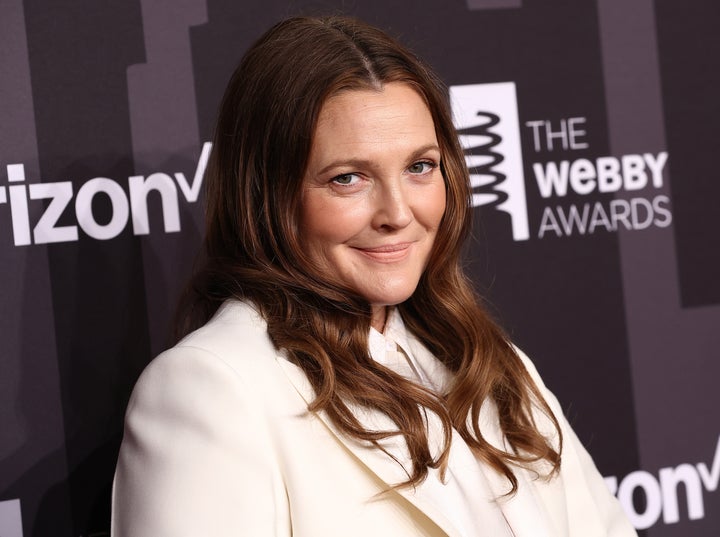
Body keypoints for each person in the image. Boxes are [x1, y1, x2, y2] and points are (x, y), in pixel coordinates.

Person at [111, 15, 637, 537]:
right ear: (267, 198)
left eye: (419, 167)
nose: (398, 213)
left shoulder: (491, 362)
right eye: (348, 178)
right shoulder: (213, 389)